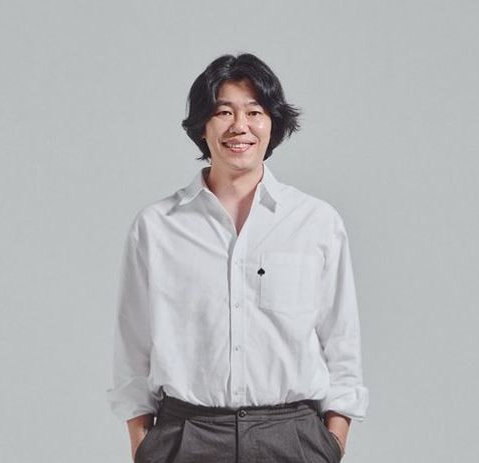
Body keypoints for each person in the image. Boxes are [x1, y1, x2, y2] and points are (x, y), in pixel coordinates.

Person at [106, 52, 369, 462]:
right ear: (202, 125)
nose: (239, 126)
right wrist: (145, 447)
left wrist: (332, 444)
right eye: (223, 112)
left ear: (272, 123)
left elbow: (342, 342)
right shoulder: (157, 227)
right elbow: (132, 347)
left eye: (254, 112)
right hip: (187, 435)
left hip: (291, 437)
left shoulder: (316, 222)